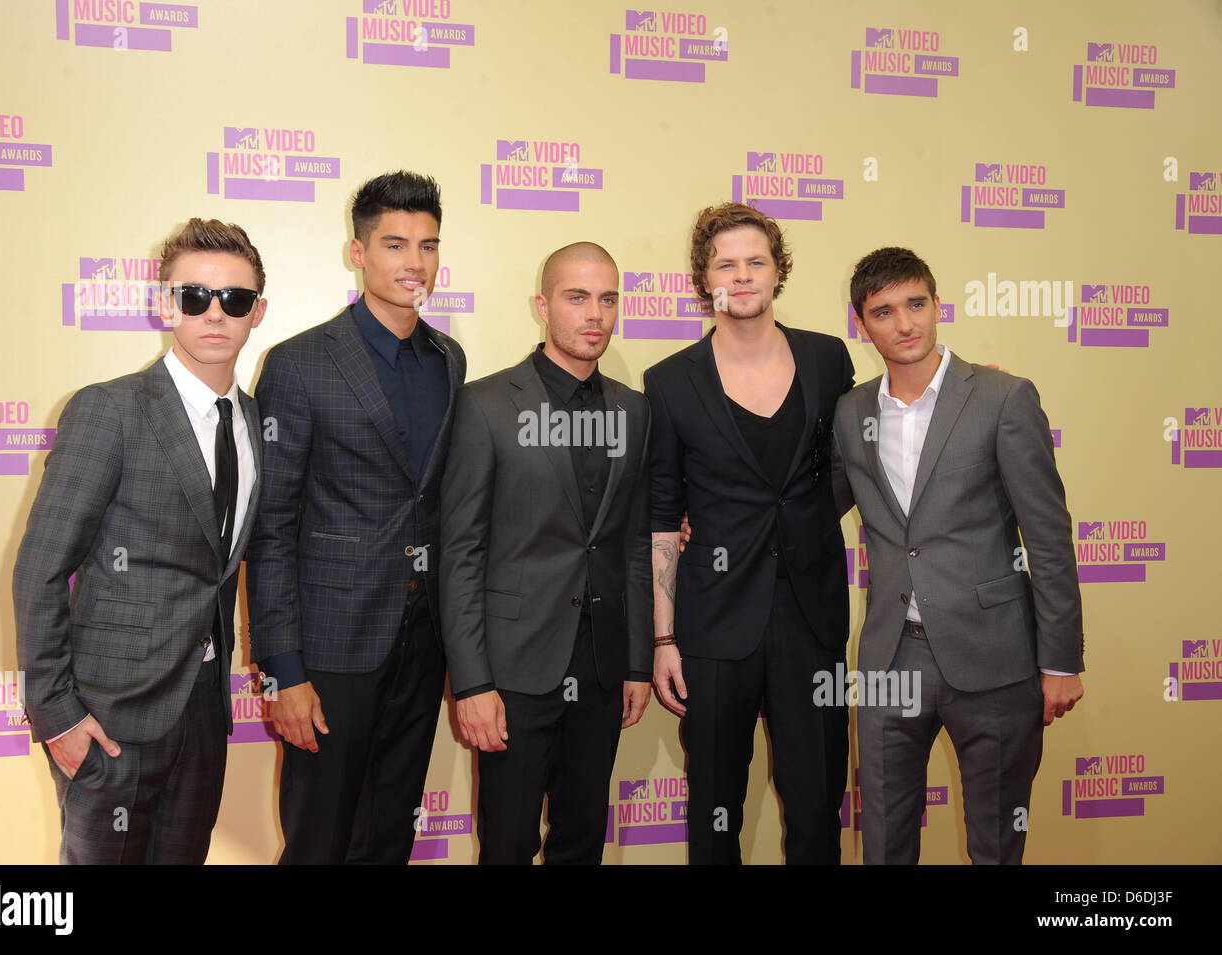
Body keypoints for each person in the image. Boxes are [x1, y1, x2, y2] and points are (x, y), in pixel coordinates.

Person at [14, 217, 268, 863]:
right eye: (194, 296)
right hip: (110, 717)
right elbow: (40, 570)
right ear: (165, 305)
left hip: (205, 715)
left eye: (234, 299)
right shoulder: (111, 410)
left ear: (257, 312)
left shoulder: (256, 423)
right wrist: (59, 716)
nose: (215, 313)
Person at [833, 246, 1085, 864]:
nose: (905, 324)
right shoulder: (851, 412)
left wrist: (1060, 659)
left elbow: (1048, 538)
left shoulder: (1003, 397)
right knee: (885, 843)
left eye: (917, 304)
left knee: (997, 843)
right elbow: (811, 504)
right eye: (884, 312)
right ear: (861, 325)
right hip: (892, 656)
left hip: (996, 656)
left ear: (937, 304)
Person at [246, 170, 465, 864]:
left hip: (422, 643)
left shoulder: (450, 362)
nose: (414, 263)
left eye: (427, 246)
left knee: (389, 837)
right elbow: (272, 526)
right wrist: (283, 669)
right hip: (331, 649)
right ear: (358, 252)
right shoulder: (301, 363)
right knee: (318, 839)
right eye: (395, 244)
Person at [645, 202, 854, 864]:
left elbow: (855, 466)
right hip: (711, 625)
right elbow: (659, 518)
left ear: (777, 270)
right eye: (724, 264)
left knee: (818, 806)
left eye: (755, 261)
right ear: (703, 279)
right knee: (714, 810)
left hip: (811, 616)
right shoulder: (670, 381)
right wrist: (664, 636)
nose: (741, 276)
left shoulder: (827, 360)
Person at [440, 242, 652, 864]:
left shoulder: (634, 412)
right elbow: (460, 553)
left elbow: (634, 547)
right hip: (512, 670)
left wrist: (637, 661)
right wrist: (472, 683)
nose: (596, 314)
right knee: (505, 842)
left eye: (608, 299)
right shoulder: (484, 406)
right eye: (577, 297)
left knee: (582, 839)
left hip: (601, 664)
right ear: (543, 305)